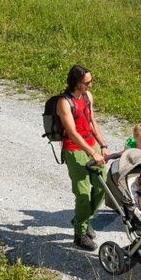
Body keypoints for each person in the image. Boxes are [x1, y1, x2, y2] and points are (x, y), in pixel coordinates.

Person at [54, 65, 109, 251]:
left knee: (102, 186)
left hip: (91, 144)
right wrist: (92, 153)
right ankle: (80, 234)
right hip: (74, 149)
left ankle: (81, 219)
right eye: (87, 82)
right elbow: (72, 132)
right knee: (83, 194)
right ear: (77, 82)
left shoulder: (87, 96)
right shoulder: (64, 102)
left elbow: (91, 121)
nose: (90, 85)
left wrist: (102, 145)